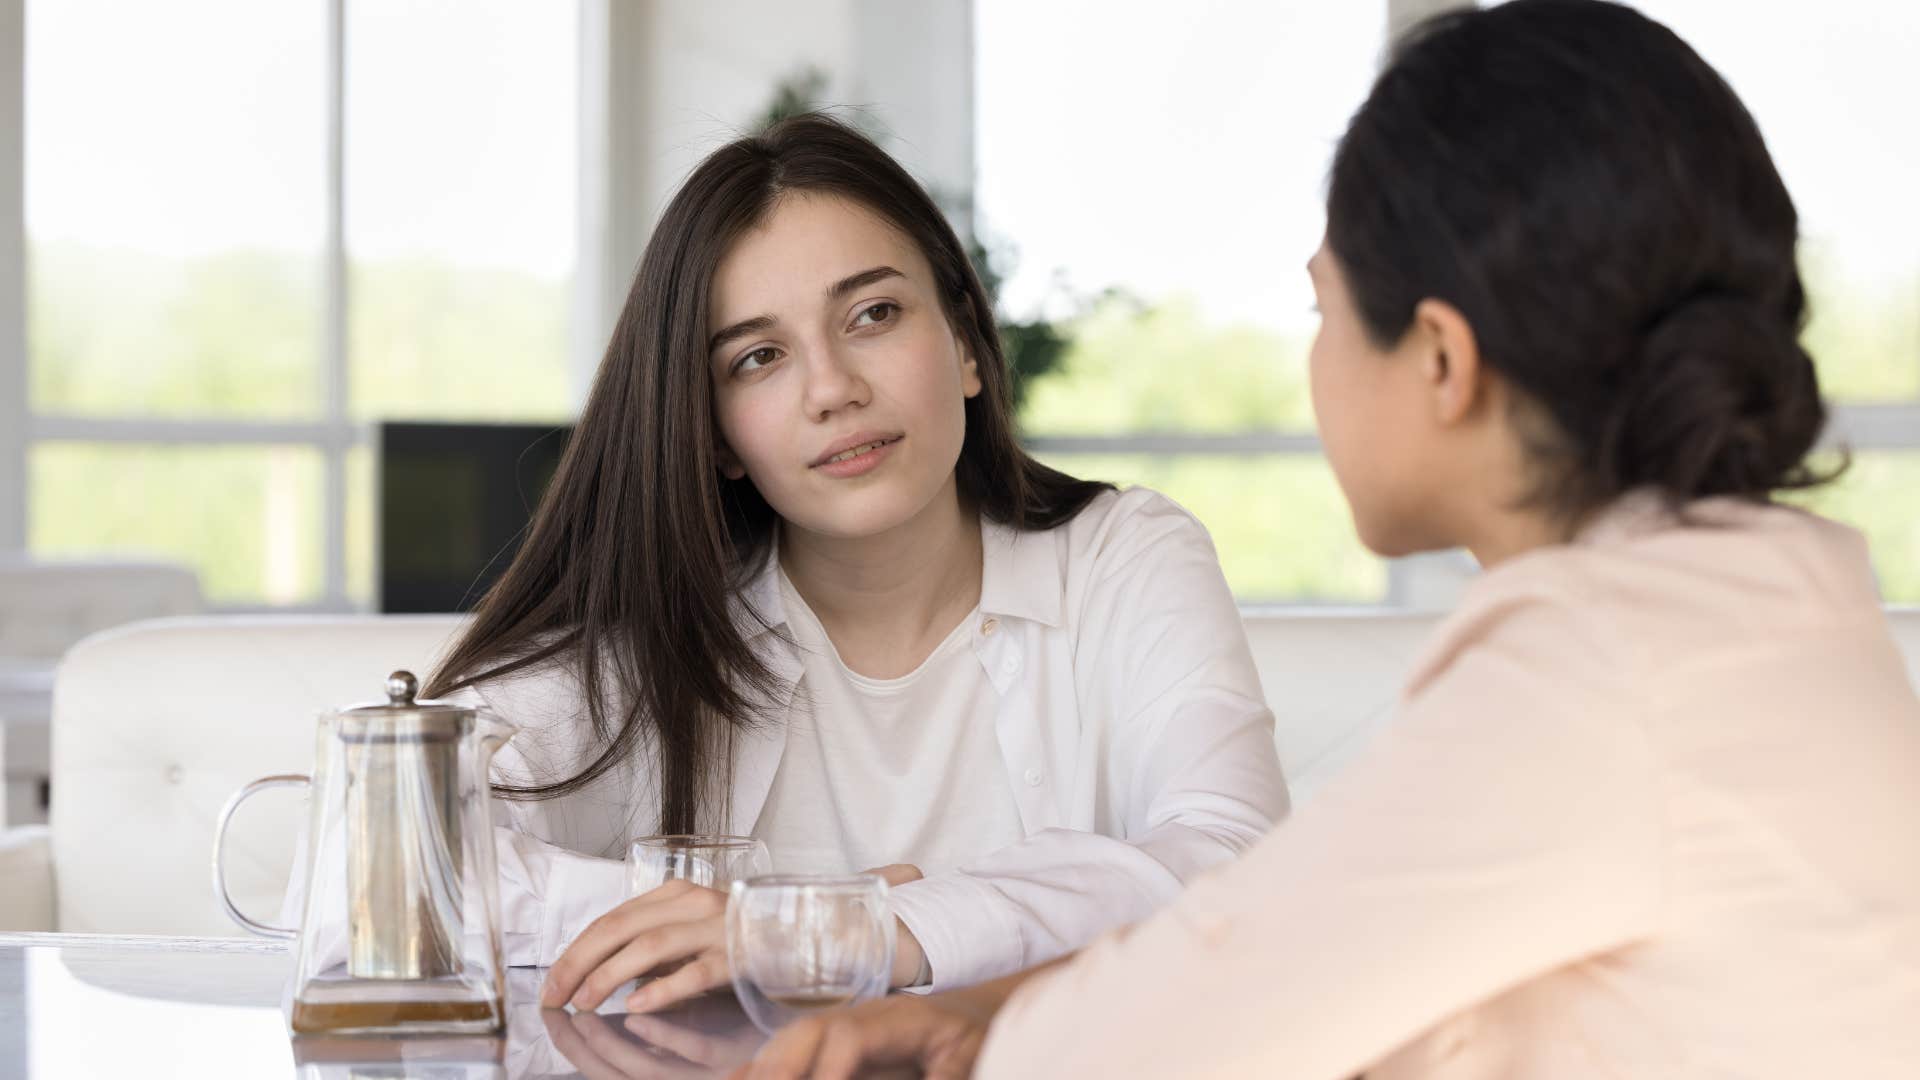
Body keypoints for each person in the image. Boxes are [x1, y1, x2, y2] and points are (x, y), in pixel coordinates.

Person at [737, 3, 1920, 1076]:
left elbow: (1153, 1043)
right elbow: (1279, 950)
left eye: (1324, 309)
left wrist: (982, 1018)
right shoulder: (1750, 609)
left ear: (1443, 361)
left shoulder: (1600, 670)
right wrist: (989, 1007)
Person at [409, 114, 1289, 1014]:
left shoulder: (1125, 558)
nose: (833, 389)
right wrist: (757, 921)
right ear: (716, 439)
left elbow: (1234, 859)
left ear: (968, 346)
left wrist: (860, 929)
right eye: (759, 358)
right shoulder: (661, 629)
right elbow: (393, 866)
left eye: (873, 314)